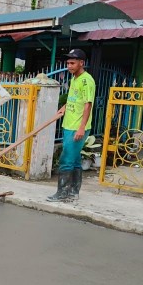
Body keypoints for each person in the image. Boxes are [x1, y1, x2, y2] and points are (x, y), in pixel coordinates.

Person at [48, 48, 95, 202]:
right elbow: (74, 98)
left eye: (72, 63)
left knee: (66, 159)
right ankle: (74, 191)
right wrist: (64, 107)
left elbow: (88, 105)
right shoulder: (74, 78)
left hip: (77, 127)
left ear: (82, 63)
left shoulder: (87, 80)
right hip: (69, 124)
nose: (69, 66)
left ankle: (62, 193)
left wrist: (81, 128)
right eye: (68, 63)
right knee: (74, 160)